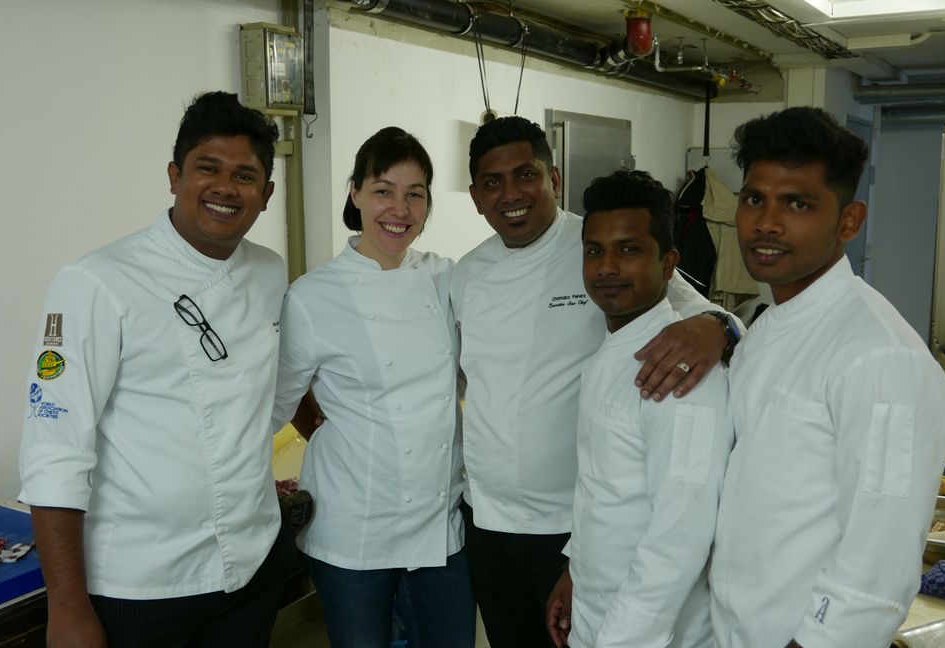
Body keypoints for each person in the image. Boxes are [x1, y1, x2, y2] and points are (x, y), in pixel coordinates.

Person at [18, 91, 295, 648]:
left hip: (252, 563)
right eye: (207, 169)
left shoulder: (269, 272)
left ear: (265, 195)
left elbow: (263, 399)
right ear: (174, 175)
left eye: (245, 176)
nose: (224, 187)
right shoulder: (95, 283)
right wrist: (68, 612)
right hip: (141, 586)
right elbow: (55, 452)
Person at [452, 116, 741, 647]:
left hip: (568, 521)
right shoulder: (465, 275)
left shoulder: (597, 242)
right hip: (489, 521)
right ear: (475, 197)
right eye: (493, 183)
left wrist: (720, 325)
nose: (511, 195)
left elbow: (701, 318)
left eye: (525, 175)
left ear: (553, 178)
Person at [709, 106, 945, 648]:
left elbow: (880, 556)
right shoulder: (767, 328)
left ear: (848, 221)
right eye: (754, 199)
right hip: (733, 627)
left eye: (798, 204)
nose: (766, 223)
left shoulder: (881, 357)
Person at [270, 127, 474, 648]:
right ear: (355, 192)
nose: (399, 209)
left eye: (415, 194)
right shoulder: (312, 297)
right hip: (353, 527)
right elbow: (276, 403)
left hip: (438, 524)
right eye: (383, 190)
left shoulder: (448, 279)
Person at [545, 170, 733, 648]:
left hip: (649, 633)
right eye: (595, 250)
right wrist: (575, 571)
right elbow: (605, 492)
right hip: (597, 605)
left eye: (629, 249)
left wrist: (622, 639)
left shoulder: (678, 369)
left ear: (668, 263)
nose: (608, 266)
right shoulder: (611, 351)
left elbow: (682, 532)